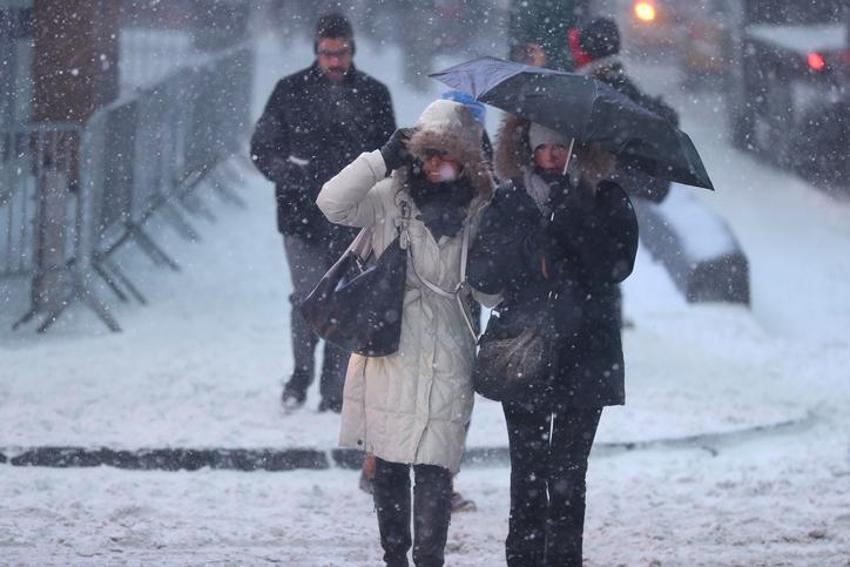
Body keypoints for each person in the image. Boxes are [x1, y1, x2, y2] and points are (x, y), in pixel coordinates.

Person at [317, 99, 496, 567]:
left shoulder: (480, 208)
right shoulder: (387, 197)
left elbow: (491, 293)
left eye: (448, 154)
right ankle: (395, 557)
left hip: (449, 349)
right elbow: (331, 203)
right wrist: (379, 159)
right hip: (388, 345)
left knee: (437, 465)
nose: (437, 164)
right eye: (429, 152)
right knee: (391, 464)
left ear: (467, 158)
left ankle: (430, 560)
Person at [468, 117, 639, 566]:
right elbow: (482, 271)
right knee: (526, 469)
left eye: (561, 148)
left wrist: (575, 220)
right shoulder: (508, 200)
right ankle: (522, 557)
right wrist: (526, 248)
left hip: (587, 352)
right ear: (527, 149)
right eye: (543, 148)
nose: (552, 157)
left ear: (578, 150)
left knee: (568, 472)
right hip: (524, 348)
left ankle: (565, 558)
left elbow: (618, 265)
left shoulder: (604, 197)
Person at [250, 13, 396, 412]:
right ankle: (302, 376)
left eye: (341, 53)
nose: (334, 61)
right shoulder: (290, 91)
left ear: (352, 50)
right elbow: (263, 149)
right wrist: (295, 175)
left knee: (346, 298)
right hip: (301, 215)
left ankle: (334, 391)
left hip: (354, 217)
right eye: (328, 54)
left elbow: (389, 156)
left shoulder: (373, 94)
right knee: (307, 297)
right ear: (317, 51)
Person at [568, 16, 679, 202]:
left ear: (588, 52)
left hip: (610, 198)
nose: (573, 55)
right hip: (624, 195)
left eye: (577, 49)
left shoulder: (599, 92)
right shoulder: (620, 86)